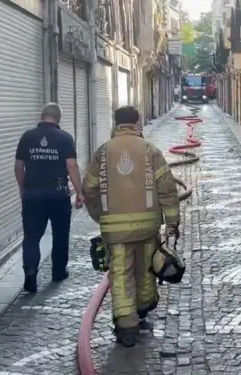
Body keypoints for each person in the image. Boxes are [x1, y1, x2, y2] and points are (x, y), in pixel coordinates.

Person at [82, 106, 180, 347]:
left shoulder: (103, 152)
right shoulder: (150, 150)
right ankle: (143, 311)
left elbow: (89, 188)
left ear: (116, 123)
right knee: (146, 270)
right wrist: (172, 222)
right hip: (147, 228)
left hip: (115, 231)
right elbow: (167, 187)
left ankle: (127, 327)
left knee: (122, 274)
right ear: (137, 123)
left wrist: (100, 216)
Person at [14, 103, 84, 293]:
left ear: (42, 115)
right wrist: (80, 192)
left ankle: (30, 272)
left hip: (33, 196)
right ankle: (58, 271)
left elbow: (19, 166)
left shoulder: (27, 137)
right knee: (60, 235)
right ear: (58, 118)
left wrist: (22, 188)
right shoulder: (65, 138)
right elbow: (71, 166)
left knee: (31, 237)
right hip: (58, 195)